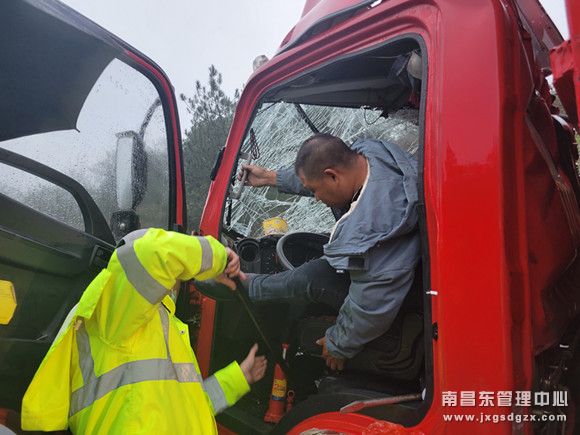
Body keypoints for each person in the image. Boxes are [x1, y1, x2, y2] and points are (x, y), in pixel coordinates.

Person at [21, 228, 266, 434]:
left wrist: (239, 378)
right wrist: (217, 258)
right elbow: (148, 252)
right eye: (178, 268)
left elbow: (188, 405)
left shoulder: (167, 329)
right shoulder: (116, 313)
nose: (179, 275)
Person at [238, 133, 420, 371]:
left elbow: (371, 309)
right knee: (315, 272)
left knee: (312, 279)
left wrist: (338, 344)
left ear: (333, 176)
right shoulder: (371, 156)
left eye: (314, 191)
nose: (315, 198)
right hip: (408, 279)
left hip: (403, 303)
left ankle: (244, 287)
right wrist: (269, 177)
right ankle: (251, 285)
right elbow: (318, 174)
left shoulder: (375, 230)